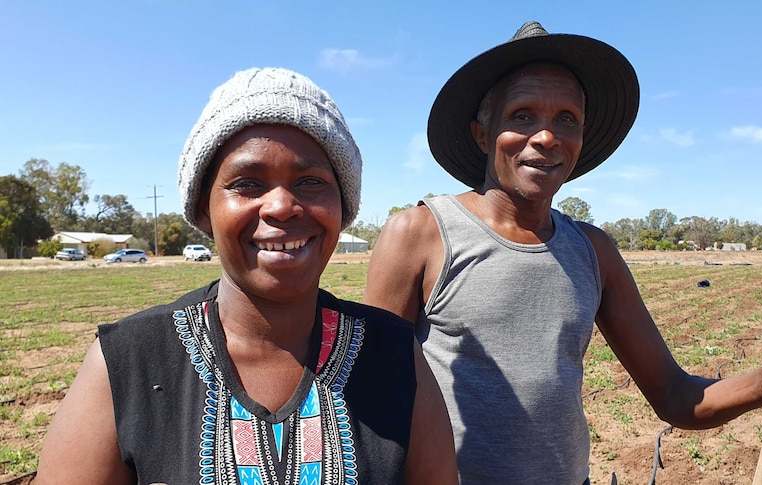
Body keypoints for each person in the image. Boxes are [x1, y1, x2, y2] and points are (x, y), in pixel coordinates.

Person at [364, 21, 762, 484]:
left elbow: (676, 396)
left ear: (579, 140)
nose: (547, 136)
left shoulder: (592, 251)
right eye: (522, 115)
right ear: (482, 134)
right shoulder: (422, 234)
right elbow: (367, 398)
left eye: (566, 120)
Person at [36, 67, 458, 485]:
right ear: (204, 209)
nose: (280, 206)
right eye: (248, 183)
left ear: (343, 207)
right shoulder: (129, 361)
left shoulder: (396, 355)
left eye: (311, 181)